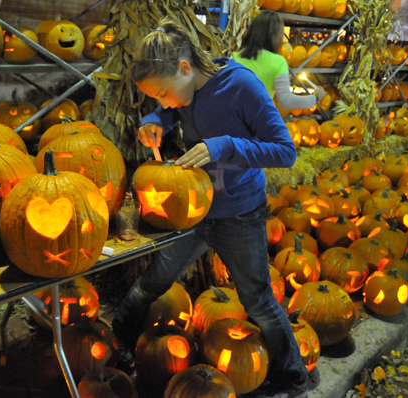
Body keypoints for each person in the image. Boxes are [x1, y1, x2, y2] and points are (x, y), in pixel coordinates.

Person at [111, 18, 308, 398]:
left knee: (257, 299)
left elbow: (285, 151)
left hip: (239, 212)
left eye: (164, 93)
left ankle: (292, 377)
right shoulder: (184, 89)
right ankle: (118, 340)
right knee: (155, 280)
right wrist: (155, 119)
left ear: (185, 68)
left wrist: (225, 146)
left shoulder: (242, 85)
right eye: (157, 98)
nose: (165, 100)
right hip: (193, 211)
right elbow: (174, 109)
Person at [233, 10, 325, 110]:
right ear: (276, 36)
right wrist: (315, 98)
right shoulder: (277, 62)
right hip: (255, 119)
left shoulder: (234, 58)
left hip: (231, 119)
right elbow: (286, 101)